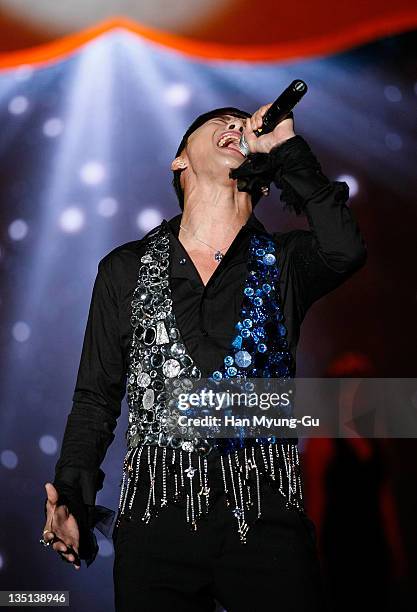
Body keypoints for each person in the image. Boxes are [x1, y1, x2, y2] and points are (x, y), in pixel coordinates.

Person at [41, 101, 367, 611]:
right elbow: (95, 398)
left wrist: (285, 149)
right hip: (156, 523)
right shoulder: (125, 269)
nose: (237, 126)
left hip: (267, 519)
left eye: (244, 124)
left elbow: (345, 249)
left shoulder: (285, 263)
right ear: (179, 160)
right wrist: (72, 496)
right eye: (221, 122)